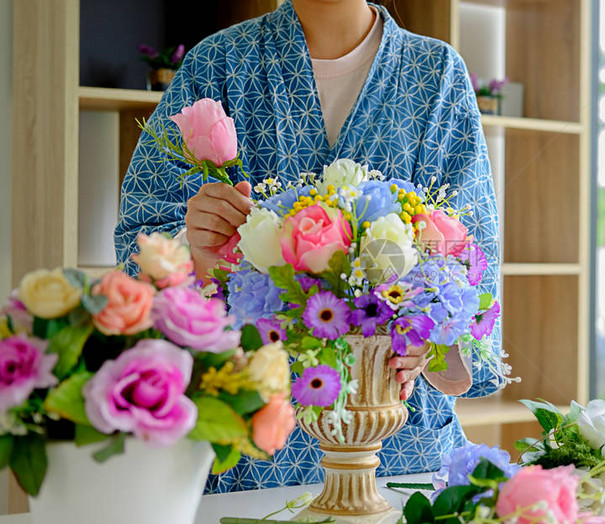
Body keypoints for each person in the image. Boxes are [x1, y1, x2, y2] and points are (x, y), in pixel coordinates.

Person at [114, 0, 502, 493]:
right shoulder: (219, 63)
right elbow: (142, 235)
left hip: (400, 438)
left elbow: (472, 249)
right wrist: (198, 250)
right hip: (249, 440)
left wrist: (430, 339)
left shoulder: (437, 72)